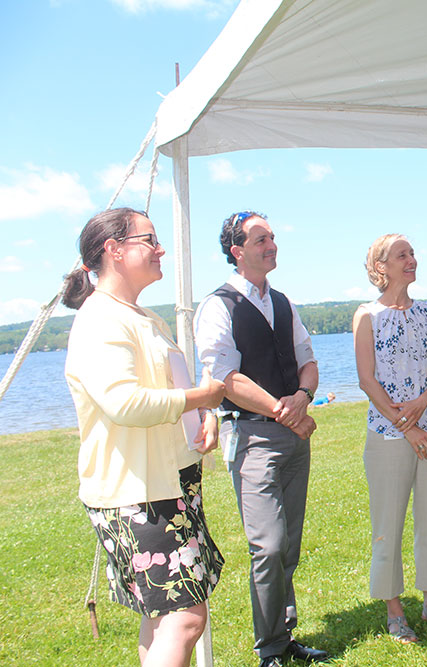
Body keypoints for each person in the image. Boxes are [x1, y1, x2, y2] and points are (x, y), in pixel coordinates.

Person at [63, 208, 226, 667]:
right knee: (185, 619)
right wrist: (200, 397)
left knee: (162, 621)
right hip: (136, 492)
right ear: (114, 250)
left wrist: (203, 416)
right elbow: (125, 404)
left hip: (167, 484)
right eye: (150, 240)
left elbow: (170, 389)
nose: (161, 249)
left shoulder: (141, 317)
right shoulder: (100, 320)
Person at [194, 211, 326, 667]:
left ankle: (284, 637)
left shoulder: (284, 302)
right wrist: (284, 412)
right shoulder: (218, 307)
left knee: (288, 544)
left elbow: (307, 360)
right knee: (267, 546)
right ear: (237, 251)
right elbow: (225, 378)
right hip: (251, 439)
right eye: (261, 238)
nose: (272, 244)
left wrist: (304, 396)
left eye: (272, 236)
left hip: (292, 439)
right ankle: (269, 650)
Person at [353, 233, 427, 643]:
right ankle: (394, 611)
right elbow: (367, 380)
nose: (412, 259)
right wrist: (408, 425)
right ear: (381, 267)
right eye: (403, 255)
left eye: (413, 253)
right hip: (388, 434)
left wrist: (423, 406)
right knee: (388, 522)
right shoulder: (367, 316)